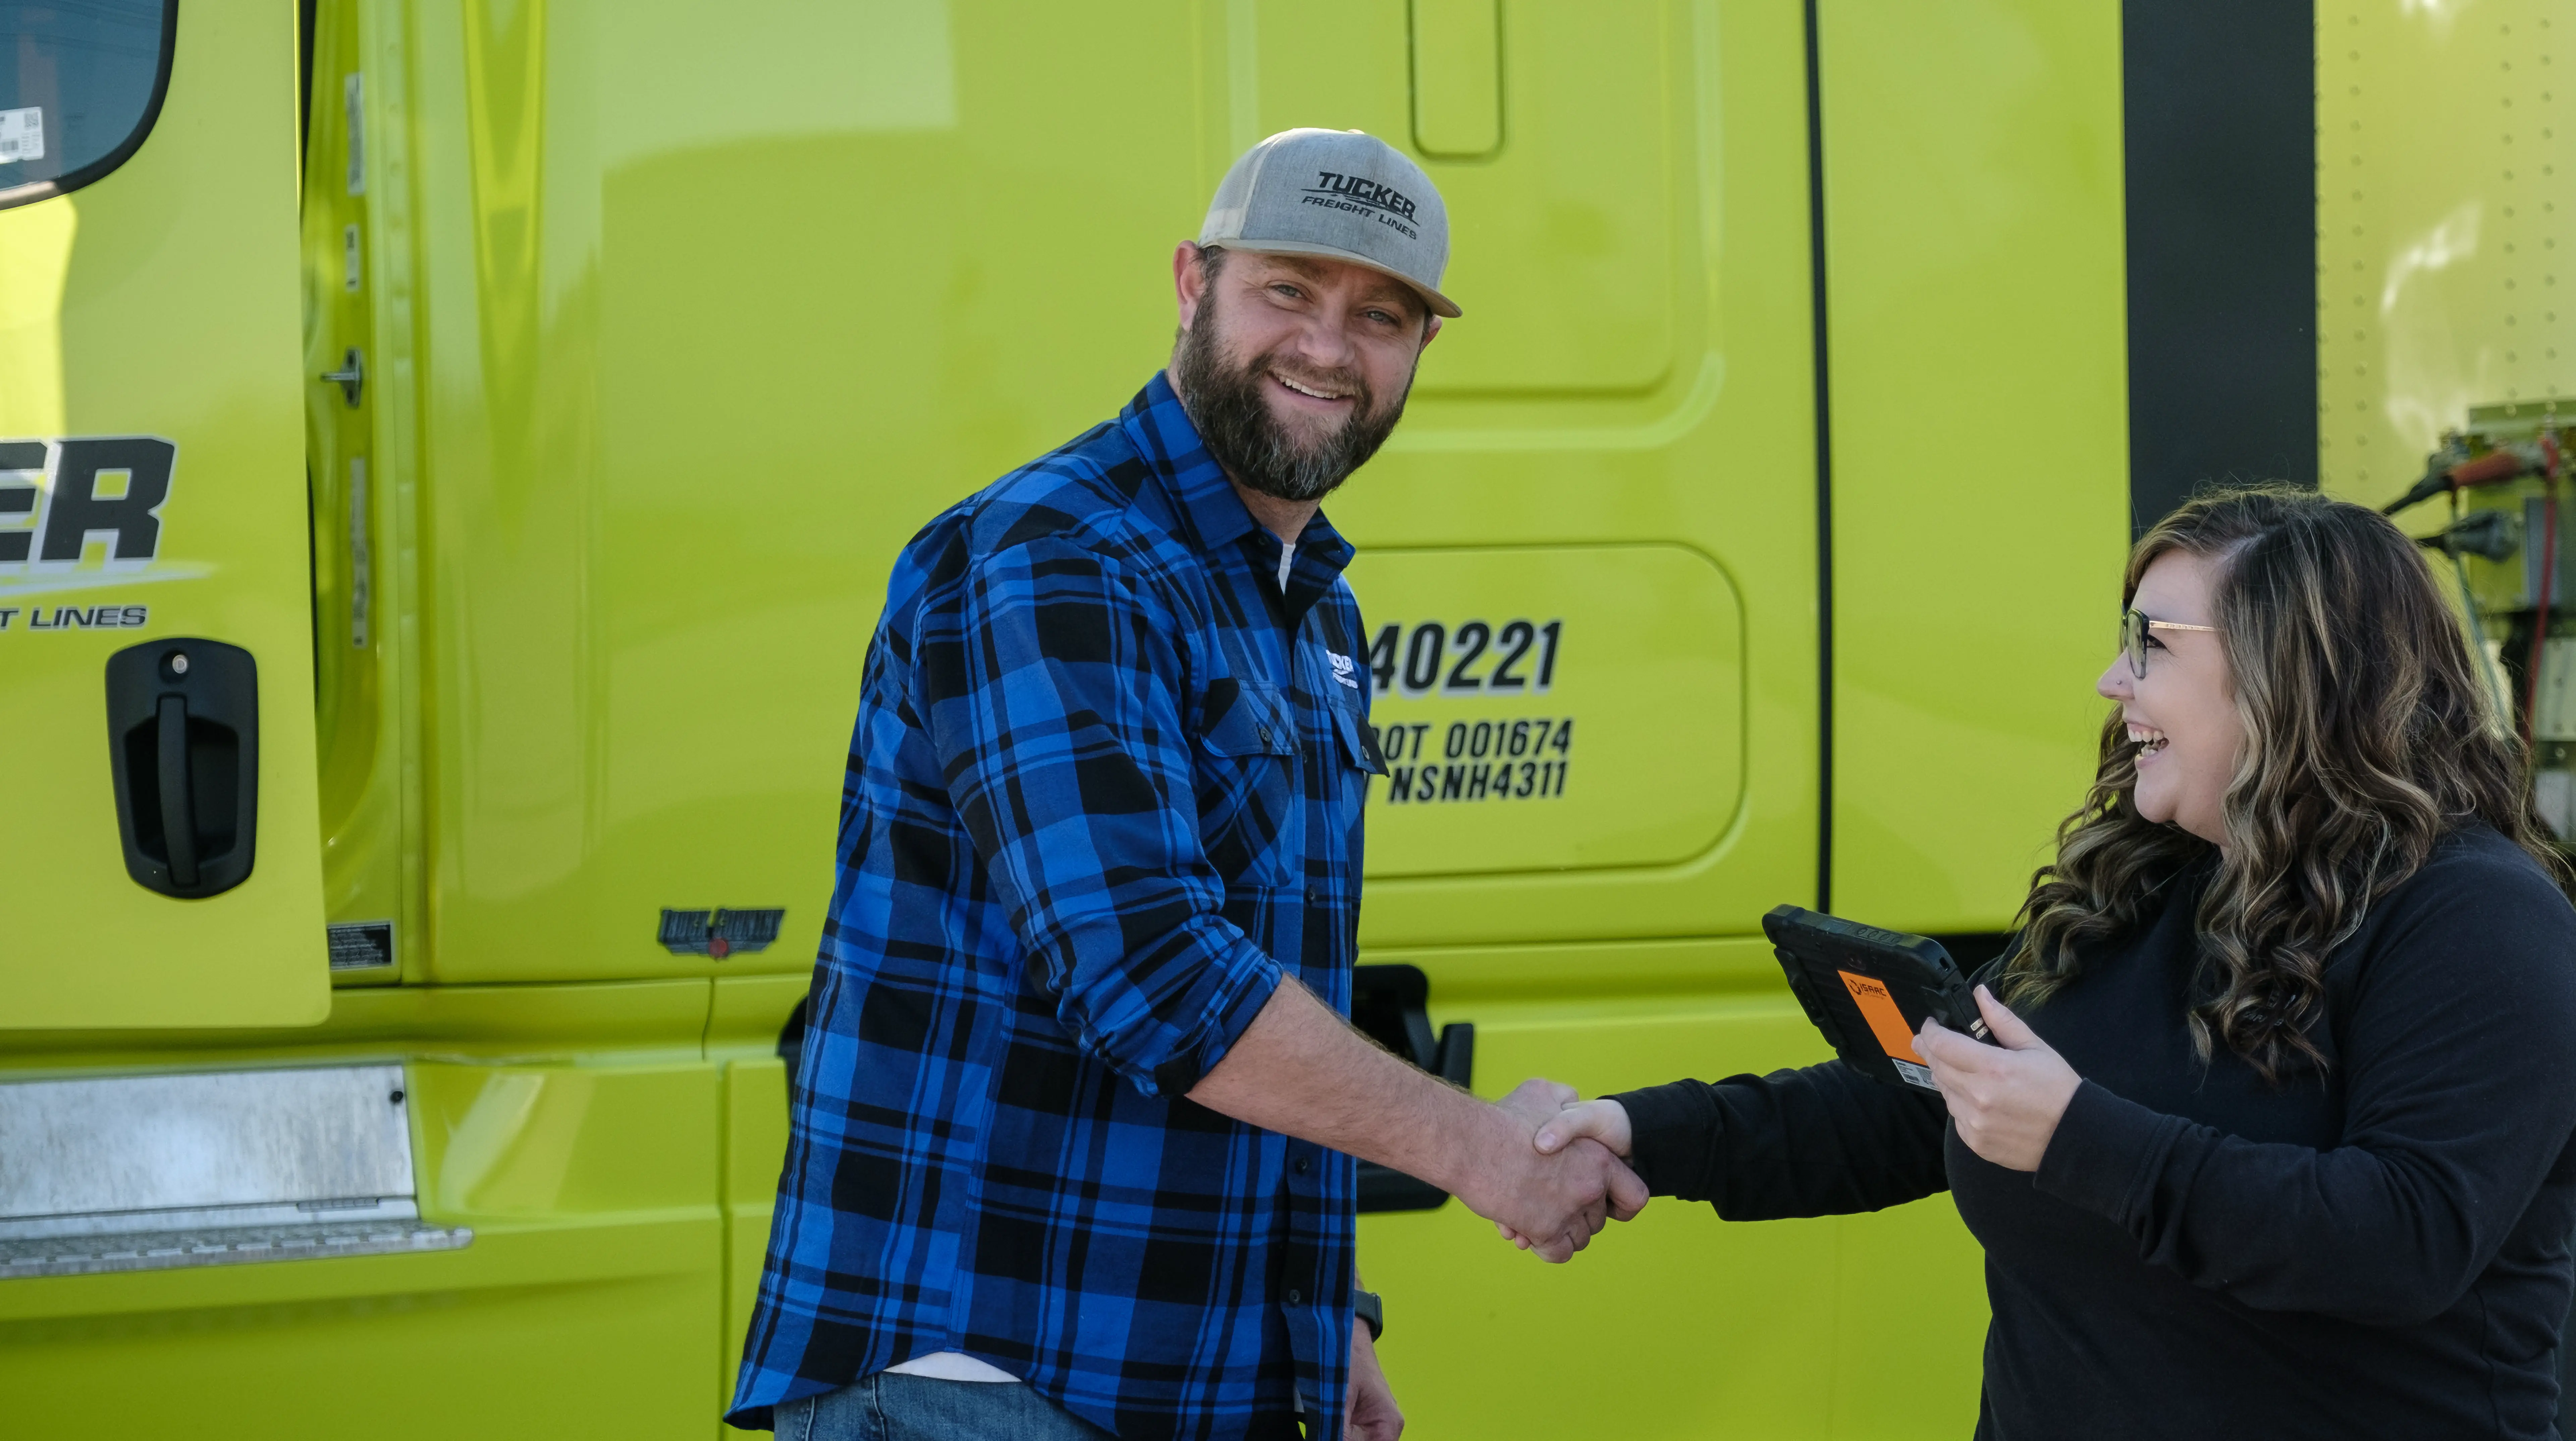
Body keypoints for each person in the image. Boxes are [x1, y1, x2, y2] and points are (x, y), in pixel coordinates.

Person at [726, 128, 1645, 1441]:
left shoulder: (1313, 610)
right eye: (1289, 292)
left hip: (1176, 1372)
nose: (1330, 348)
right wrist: (1483, 1153)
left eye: (1378, 316)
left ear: (1420, 352)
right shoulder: (1058, 554)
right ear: (1190, 285)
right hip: (986, 1377)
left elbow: (1278, 985)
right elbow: (1150, 971)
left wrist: (1320, 1317)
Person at [1523, 485, 2576, 1438]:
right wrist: (1643, 1134)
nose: (2112, 680)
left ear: (2293, 672)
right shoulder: (2151, 880)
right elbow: (1928, 1101)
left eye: (2151, 643)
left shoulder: (2477, 919)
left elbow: (2405, 1238)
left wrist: (2082, 1138)